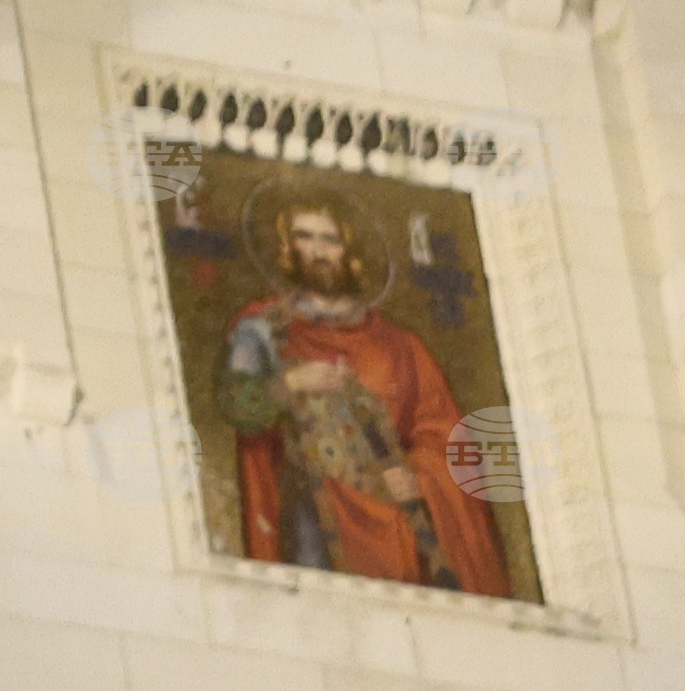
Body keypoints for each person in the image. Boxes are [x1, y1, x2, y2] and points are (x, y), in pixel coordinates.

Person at [216, 187, 510, 593]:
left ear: (349, 249)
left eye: (330, 239)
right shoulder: (261, 330)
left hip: (399, 533)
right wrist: (292, 383)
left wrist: (419, 477)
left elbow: (445, 434)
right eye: (305, 237)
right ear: (287, 246)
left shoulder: (398, 345)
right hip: (314, 526)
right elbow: (236, 405)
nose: (318, 251)